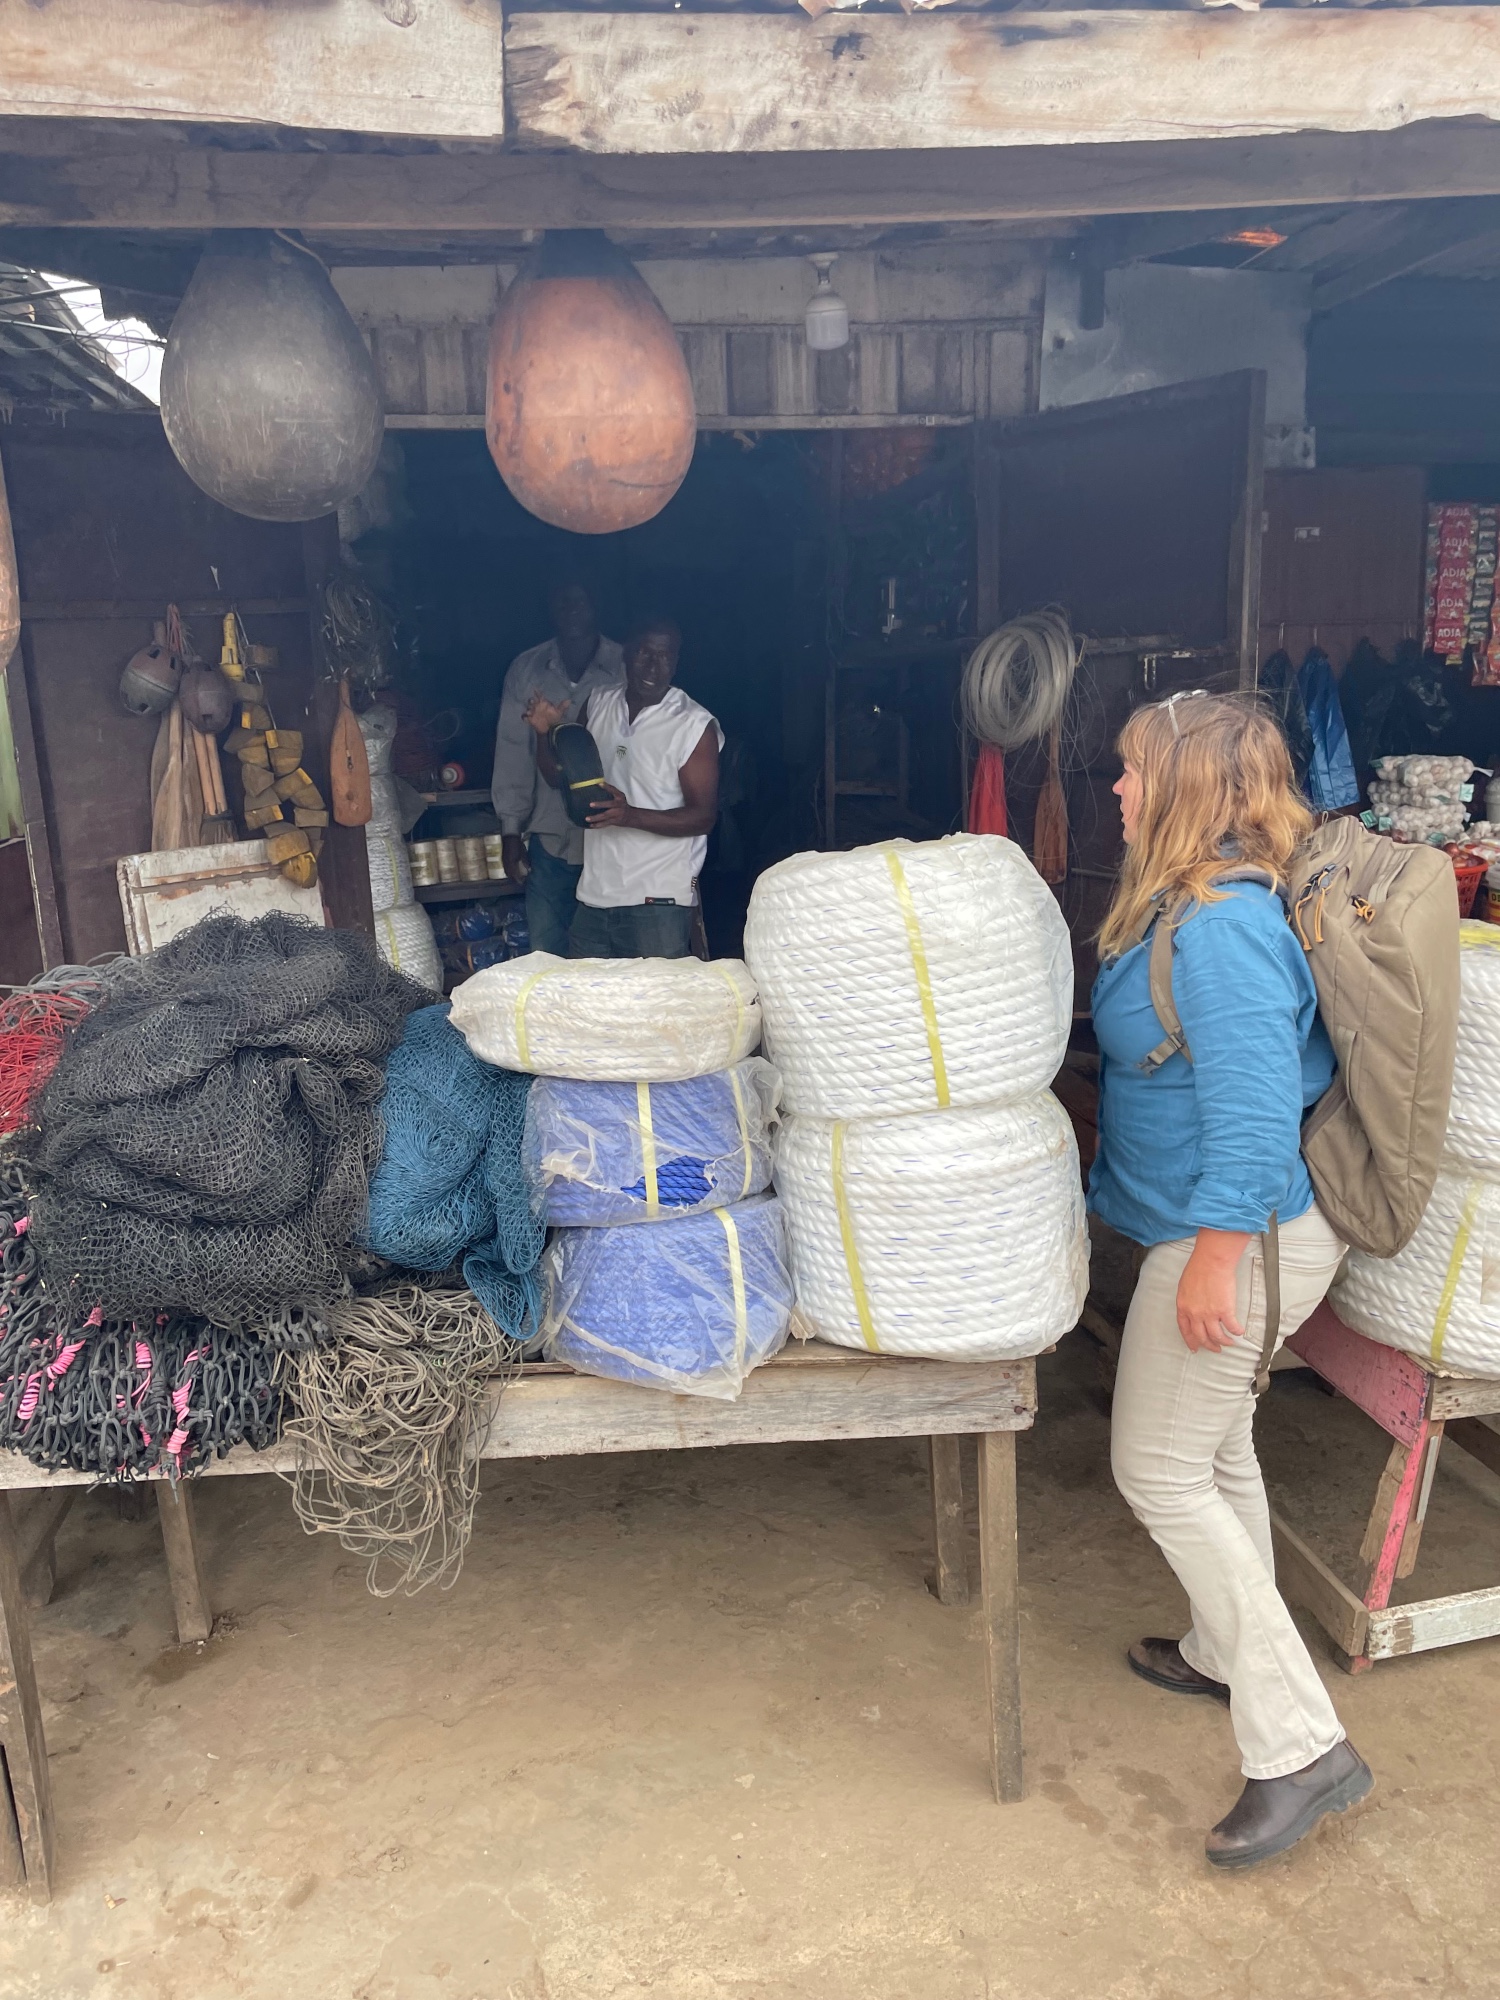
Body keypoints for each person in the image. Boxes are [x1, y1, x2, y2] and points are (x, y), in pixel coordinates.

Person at [1090, 690, 1373, 1872]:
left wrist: (1213, 1259)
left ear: (1187, 786)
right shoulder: (1185, 903)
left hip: (1240, 1236)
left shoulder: (1223, 927)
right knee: (1216, 1453)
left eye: (1131, 770)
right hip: (1220, 1230)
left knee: (1157, 1467)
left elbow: (1255, 1116)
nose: (1115, 788)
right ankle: (1221, 1648)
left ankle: (1302, 1745)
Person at [525, 615, 720, 959]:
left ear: (676, 662)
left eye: (665, 656)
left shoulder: (692, 724)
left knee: (655, 995)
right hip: (595, 897)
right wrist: (544, 734)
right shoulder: (598, 704)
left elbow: (703, 817)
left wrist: (629, 816)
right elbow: (560, 779)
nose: (653, 666)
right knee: (589, 994)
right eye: (645, 653)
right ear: (626, 653)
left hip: (658, 900)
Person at [491, 577, 625, 955]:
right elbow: (512, 752)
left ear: (598, 605)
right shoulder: (527, 669)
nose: (572, 609)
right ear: (550, 607)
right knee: (546, 957)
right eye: (563, 600)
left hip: (614, 841)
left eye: (581, 600)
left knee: (610, 960)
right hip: (550, 841)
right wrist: (511, 831)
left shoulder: (626, 665)